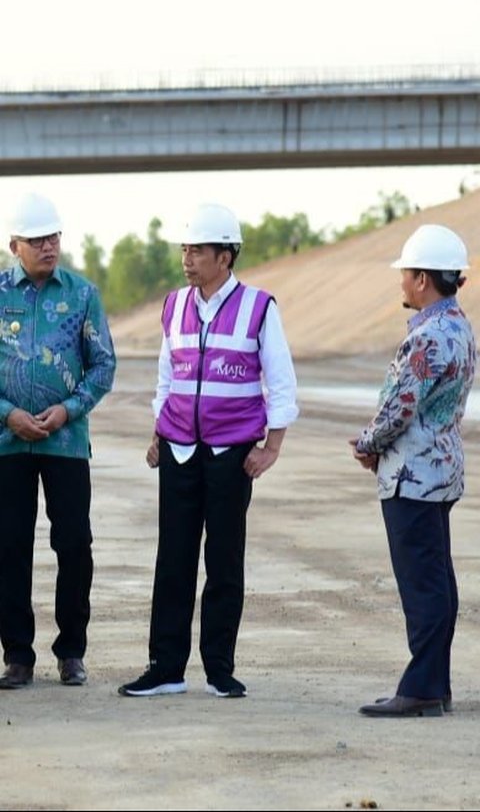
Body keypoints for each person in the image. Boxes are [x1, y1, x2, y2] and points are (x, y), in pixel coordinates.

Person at [119, 202, 298, 698]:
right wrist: (159, 430)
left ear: (226, 256)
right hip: (177, 450)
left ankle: (219, 667)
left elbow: (281, 380)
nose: (187, 258)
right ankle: (166, 668)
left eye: (197, 250)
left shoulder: (260, 307)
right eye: (184, 249)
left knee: (223, 560)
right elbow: (167, 375)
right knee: (172, 559)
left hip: (231, 453)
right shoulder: (174, 305)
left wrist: (272, 446)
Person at [350, 224, 476, 718]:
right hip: (441, 471)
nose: (401, 282)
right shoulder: (461, 329)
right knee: (437, 580)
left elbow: (401, 405)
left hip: (412, 476)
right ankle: (434, 684)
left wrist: (367, 444)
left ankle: (422, 686)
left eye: (406, 274)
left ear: (423, 279)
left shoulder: (427, 337)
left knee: (422, 583)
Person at [0, 192, 116, 690]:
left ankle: (72, 652)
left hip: (66, 444)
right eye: (38, 240)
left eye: (54, 237)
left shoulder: (83, 294)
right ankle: (17, 657)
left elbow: (104, 364)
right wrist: (9, 415)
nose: (49, 247)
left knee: (74, 545)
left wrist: (68, 409)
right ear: (15, 246)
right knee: (9, 549)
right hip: (7, 445)